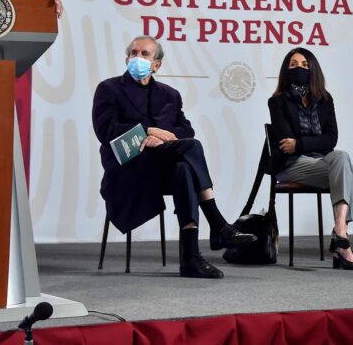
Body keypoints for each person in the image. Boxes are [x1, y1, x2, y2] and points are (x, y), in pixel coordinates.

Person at [92, 35, 255, 279]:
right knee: (192, 148)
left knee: (183, 169)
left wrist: (162, 138)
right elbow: (105, 131)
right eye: (134, 53)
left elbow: (185, 130)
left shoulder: (170, 95)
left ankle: (190, 259)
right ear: (126, 59)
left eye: (145, 54)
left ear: (157, 64)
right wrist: (146, 131)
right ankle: (218, 225)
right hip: (129, 167)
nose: (138, 58)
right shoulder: (109, 89)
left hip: (162, 167)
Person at [267, 47, 353, 270]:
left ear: (313, 70)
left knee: (342, 158)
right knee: (344, 171)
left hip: (321, 162)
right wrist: (302, 144)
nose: (298, 69)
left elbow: (331, 139)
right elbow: (285, 141)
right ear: (285, 70)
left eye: (304, 65)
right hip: (292, 165)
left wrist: (299, 143)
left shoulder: (325, 100)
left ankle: (339, 231)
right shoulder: (278, 101)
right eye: (293, 65)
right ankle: (342, 245)